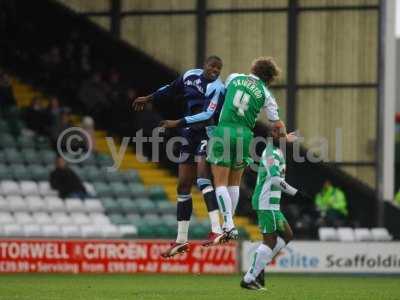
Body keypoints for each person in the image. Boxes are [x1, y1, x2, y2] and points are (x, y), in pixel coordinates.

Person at [133, 55, 225, 258]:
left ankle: (217, 230)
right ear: (205, 65)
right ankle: (181, 241)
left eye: (219, 68)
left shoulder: (218, 87)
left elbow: (208, 115)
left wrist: (176, 122)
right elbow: (169, 88)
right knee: (183, 185)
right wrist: (148, 98)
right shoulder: (190, 76)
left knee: (202, 179)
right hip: (189, 134)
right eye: (213, 66)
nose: (215, 71)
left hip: (208, 133)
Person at [207, 57, 297, 240]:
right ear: (269, 78)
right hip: (245, 135)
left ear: (254, 68)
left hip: (225, 130)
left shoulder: (234, 77)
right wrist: (285, 136)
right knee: (234, 183)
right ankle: (228, 225)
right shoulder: (266, 95)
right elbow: (278, 125)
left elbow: (221, 95)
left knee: (220, 182)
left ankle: (229, 225)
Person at [241, 121, 311, 290]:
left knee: (287, 235)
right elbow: (275, 179)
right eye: (282, 133)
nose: (285, 135)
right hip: (265, 202)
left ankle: (259, 268)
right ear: (273, 135)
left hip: (272, 203)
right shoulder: (271, 152)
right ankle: (250, 277)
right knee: (270, 241)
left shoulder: (278, 151)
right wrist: (297, 194)